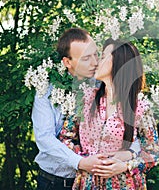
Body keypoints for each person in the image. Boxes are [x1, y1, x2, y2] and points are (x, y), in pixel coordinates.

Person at [32, 28, 140, 190]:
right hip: (56, 180)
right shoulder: (47, 90)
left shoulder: (102, 85)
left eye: (96, 55)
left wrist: (128, 156)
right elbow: (44, 138)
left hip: (93, 182)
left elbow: (137, 134)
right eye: (86, 58)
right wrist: (81, 162)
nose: (95, 62)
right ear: (67, 62)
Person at [72, 39, 159, 189]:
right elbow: (66, 138)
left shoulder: (139, 107)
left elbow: (153, 153)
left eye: (102, 57)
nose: (96, 62)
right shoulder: (85, 99)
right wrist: (84, 160)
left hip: (123, 184)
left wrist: (126, 165)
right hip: (87, 183)